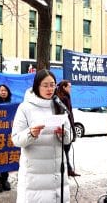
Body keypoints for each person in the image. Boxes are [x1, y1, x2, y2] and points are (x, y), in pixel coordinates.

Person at [12, 69, 71, 203]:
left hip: (57, 173)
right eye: (45, 85)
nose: (49, 89)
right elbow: (16, 139)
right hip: (34, 176)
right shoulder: (25, 108)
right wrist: (31, 133)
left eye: (52, 85)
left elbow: (69, 137)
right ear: (37, 86)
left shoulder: (59, 105)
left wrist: (64, 134)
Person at [55, 80, 80, 177]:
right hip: (65, 125)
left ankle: (69, 170)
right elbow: (67, 115)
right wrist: (71, 128)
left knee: (66, 151)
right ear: (64, 87)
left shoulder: (63, 97)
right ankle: (68, 170)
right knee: (65, 151)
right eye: (69, 87)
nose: (70, 89)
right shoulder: (63, 98)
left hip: (68, 125)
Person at [0, 84, 12, 193]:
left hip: (7, 136)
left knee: (6, 157)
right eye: (1, 90)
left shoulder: (11, 106)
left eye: (5, 90)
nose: (3, 92)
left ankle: (5, 180)